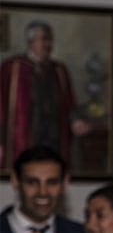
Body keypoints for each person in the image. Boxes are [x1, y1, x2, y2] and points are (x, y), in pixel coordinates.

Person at [0, 21, 87, 171]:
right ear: (31, 42)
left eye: (50, 40)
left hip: (53, 139)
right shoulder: (12, 68)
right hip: (23, 139)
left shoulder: (59, 70)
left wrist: (76, 120)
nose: (48, 44)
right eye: (44, 39)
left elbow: (69, 102)